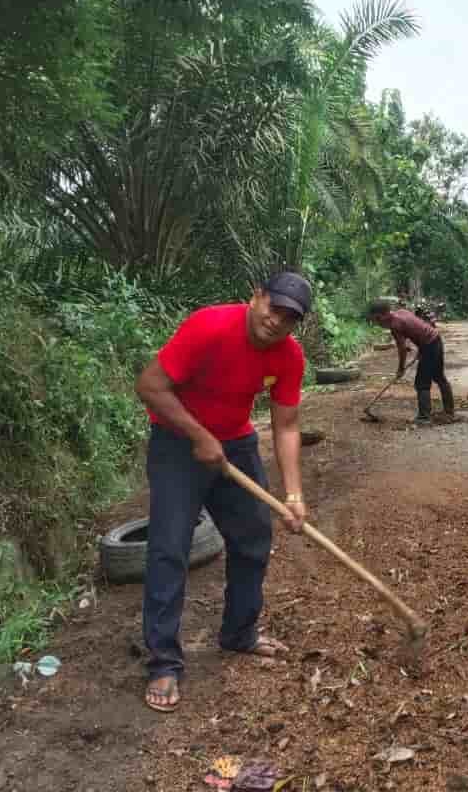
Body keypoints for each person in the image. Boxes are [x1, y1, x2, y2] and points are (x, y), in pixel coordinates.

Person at [133, 271, 312, 713]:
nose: (276, 322)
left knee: (253, 539)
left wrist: (293, 496)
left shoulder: (288, 356)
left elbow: (286, 425)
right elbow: (149, 386)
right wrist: (197, 435)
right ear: (257, 297)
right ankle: (163, 663)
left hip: (235, 441)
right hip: (177, 442)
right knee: (170, 548)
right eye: (274, 308)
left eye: (289, 318)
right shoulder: (209, 326)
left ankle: (238, 633)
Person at [368, 298, 454, 425]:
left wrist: (400, 369)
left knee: (421, 382)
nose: (378, 323)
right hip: (435, 340)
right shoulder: (402, 312)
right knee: (439, 377)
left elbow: (402, 349)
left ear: (384, 315)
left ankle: (424, 417)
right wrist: (421, 348)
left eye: (377, 319)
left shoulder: (395, 325)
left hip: (430, 345)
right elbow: (417, 327)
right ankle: (449, 411)